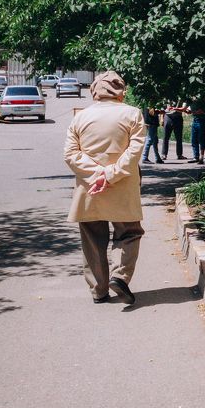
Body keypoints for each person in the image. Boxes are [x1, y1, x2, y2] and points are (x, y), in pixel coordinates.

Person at [64, 71, 145, 305]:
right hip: (122, 187)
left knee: (92, 238)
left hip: (90, 189)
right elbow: (133, 153)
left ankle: (99, 290)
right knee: (129, 232)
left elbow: (70, 155)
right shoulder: (133, 114)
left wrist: (97, 174)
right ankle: (120, 276)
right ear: (120, 91)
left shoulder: (80, 117)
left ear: (95, 91)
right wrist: (109, 175)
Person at [187, 99, 205, 164]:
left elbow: (200, 111)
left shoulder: (202, 100)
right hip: (195, 120)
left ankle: (201, 157)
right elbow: (190, 110)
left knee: (201, 139)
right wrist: (188, 111)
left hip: (202, 120)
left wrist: (192, 112)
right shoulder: (192, 101)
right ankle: (196, 157)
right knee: (194, 139)